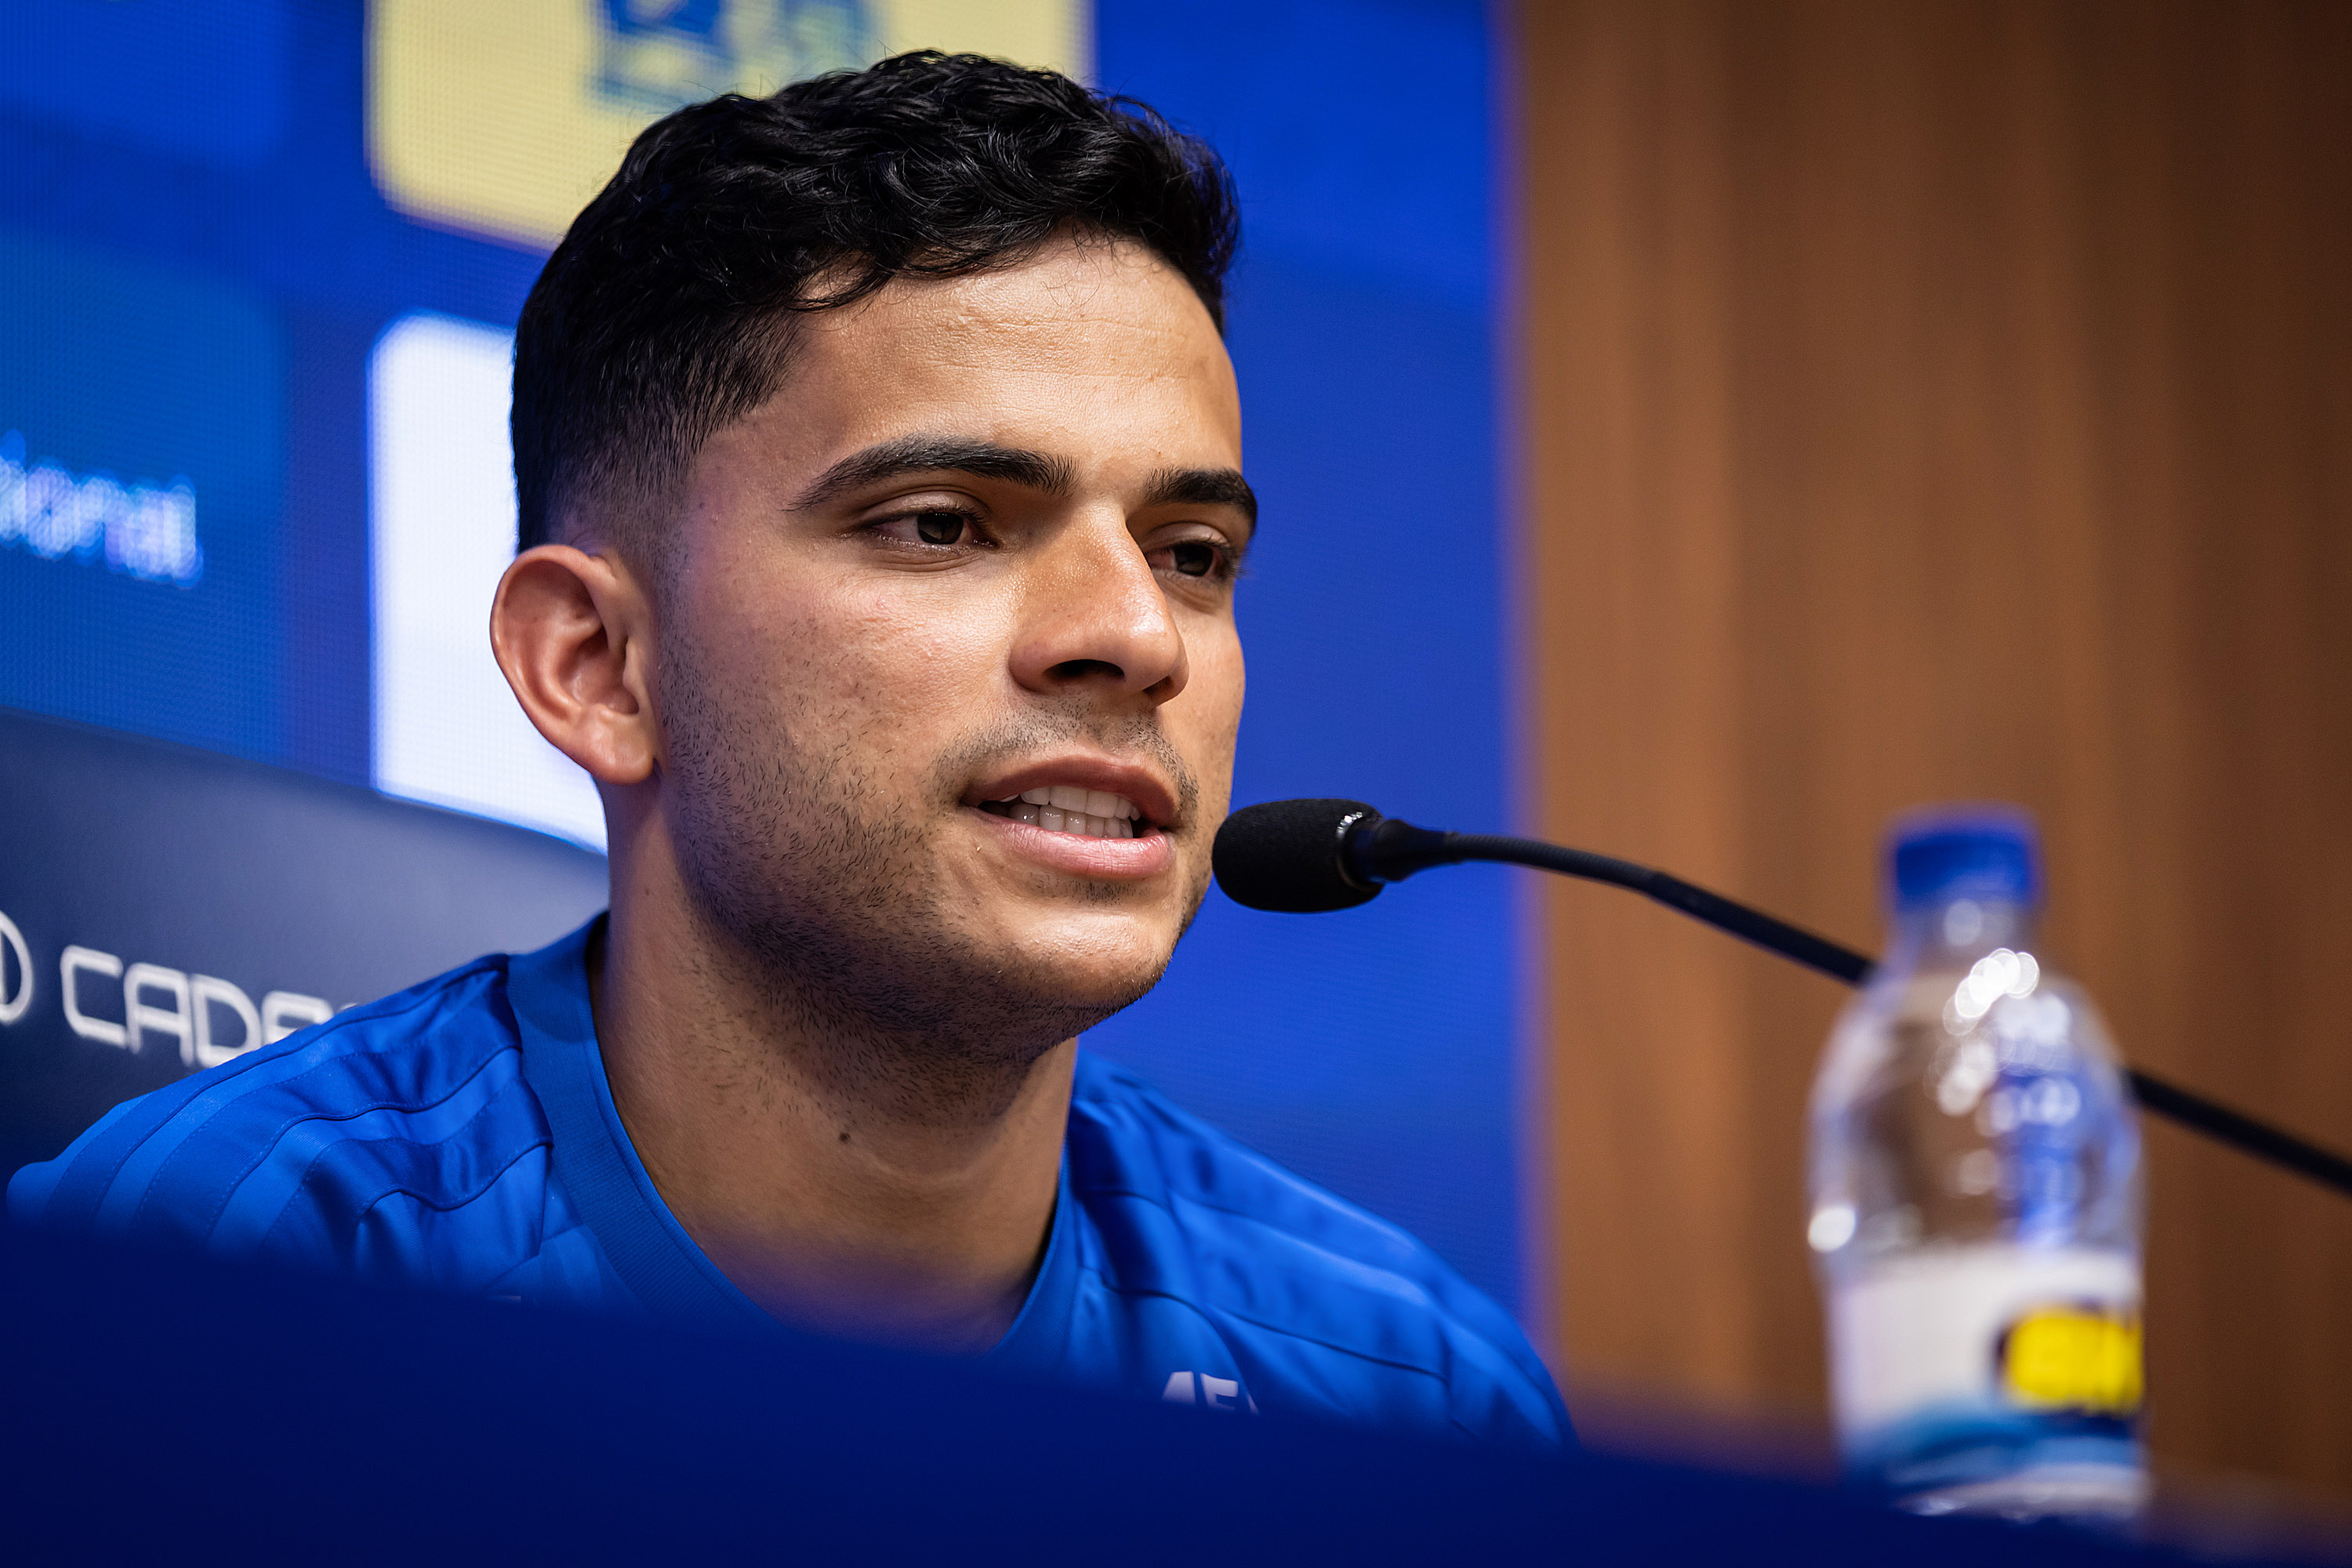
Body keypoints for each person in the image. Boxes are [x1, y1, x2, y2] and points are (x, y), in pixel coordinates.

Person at [11, 53, 1568, 1449]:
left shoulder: (1407, 1395)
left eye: (1192, 551)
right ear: (598, 666)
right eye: (945, 523)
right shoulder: (228, 1270)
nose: (1138, 637)